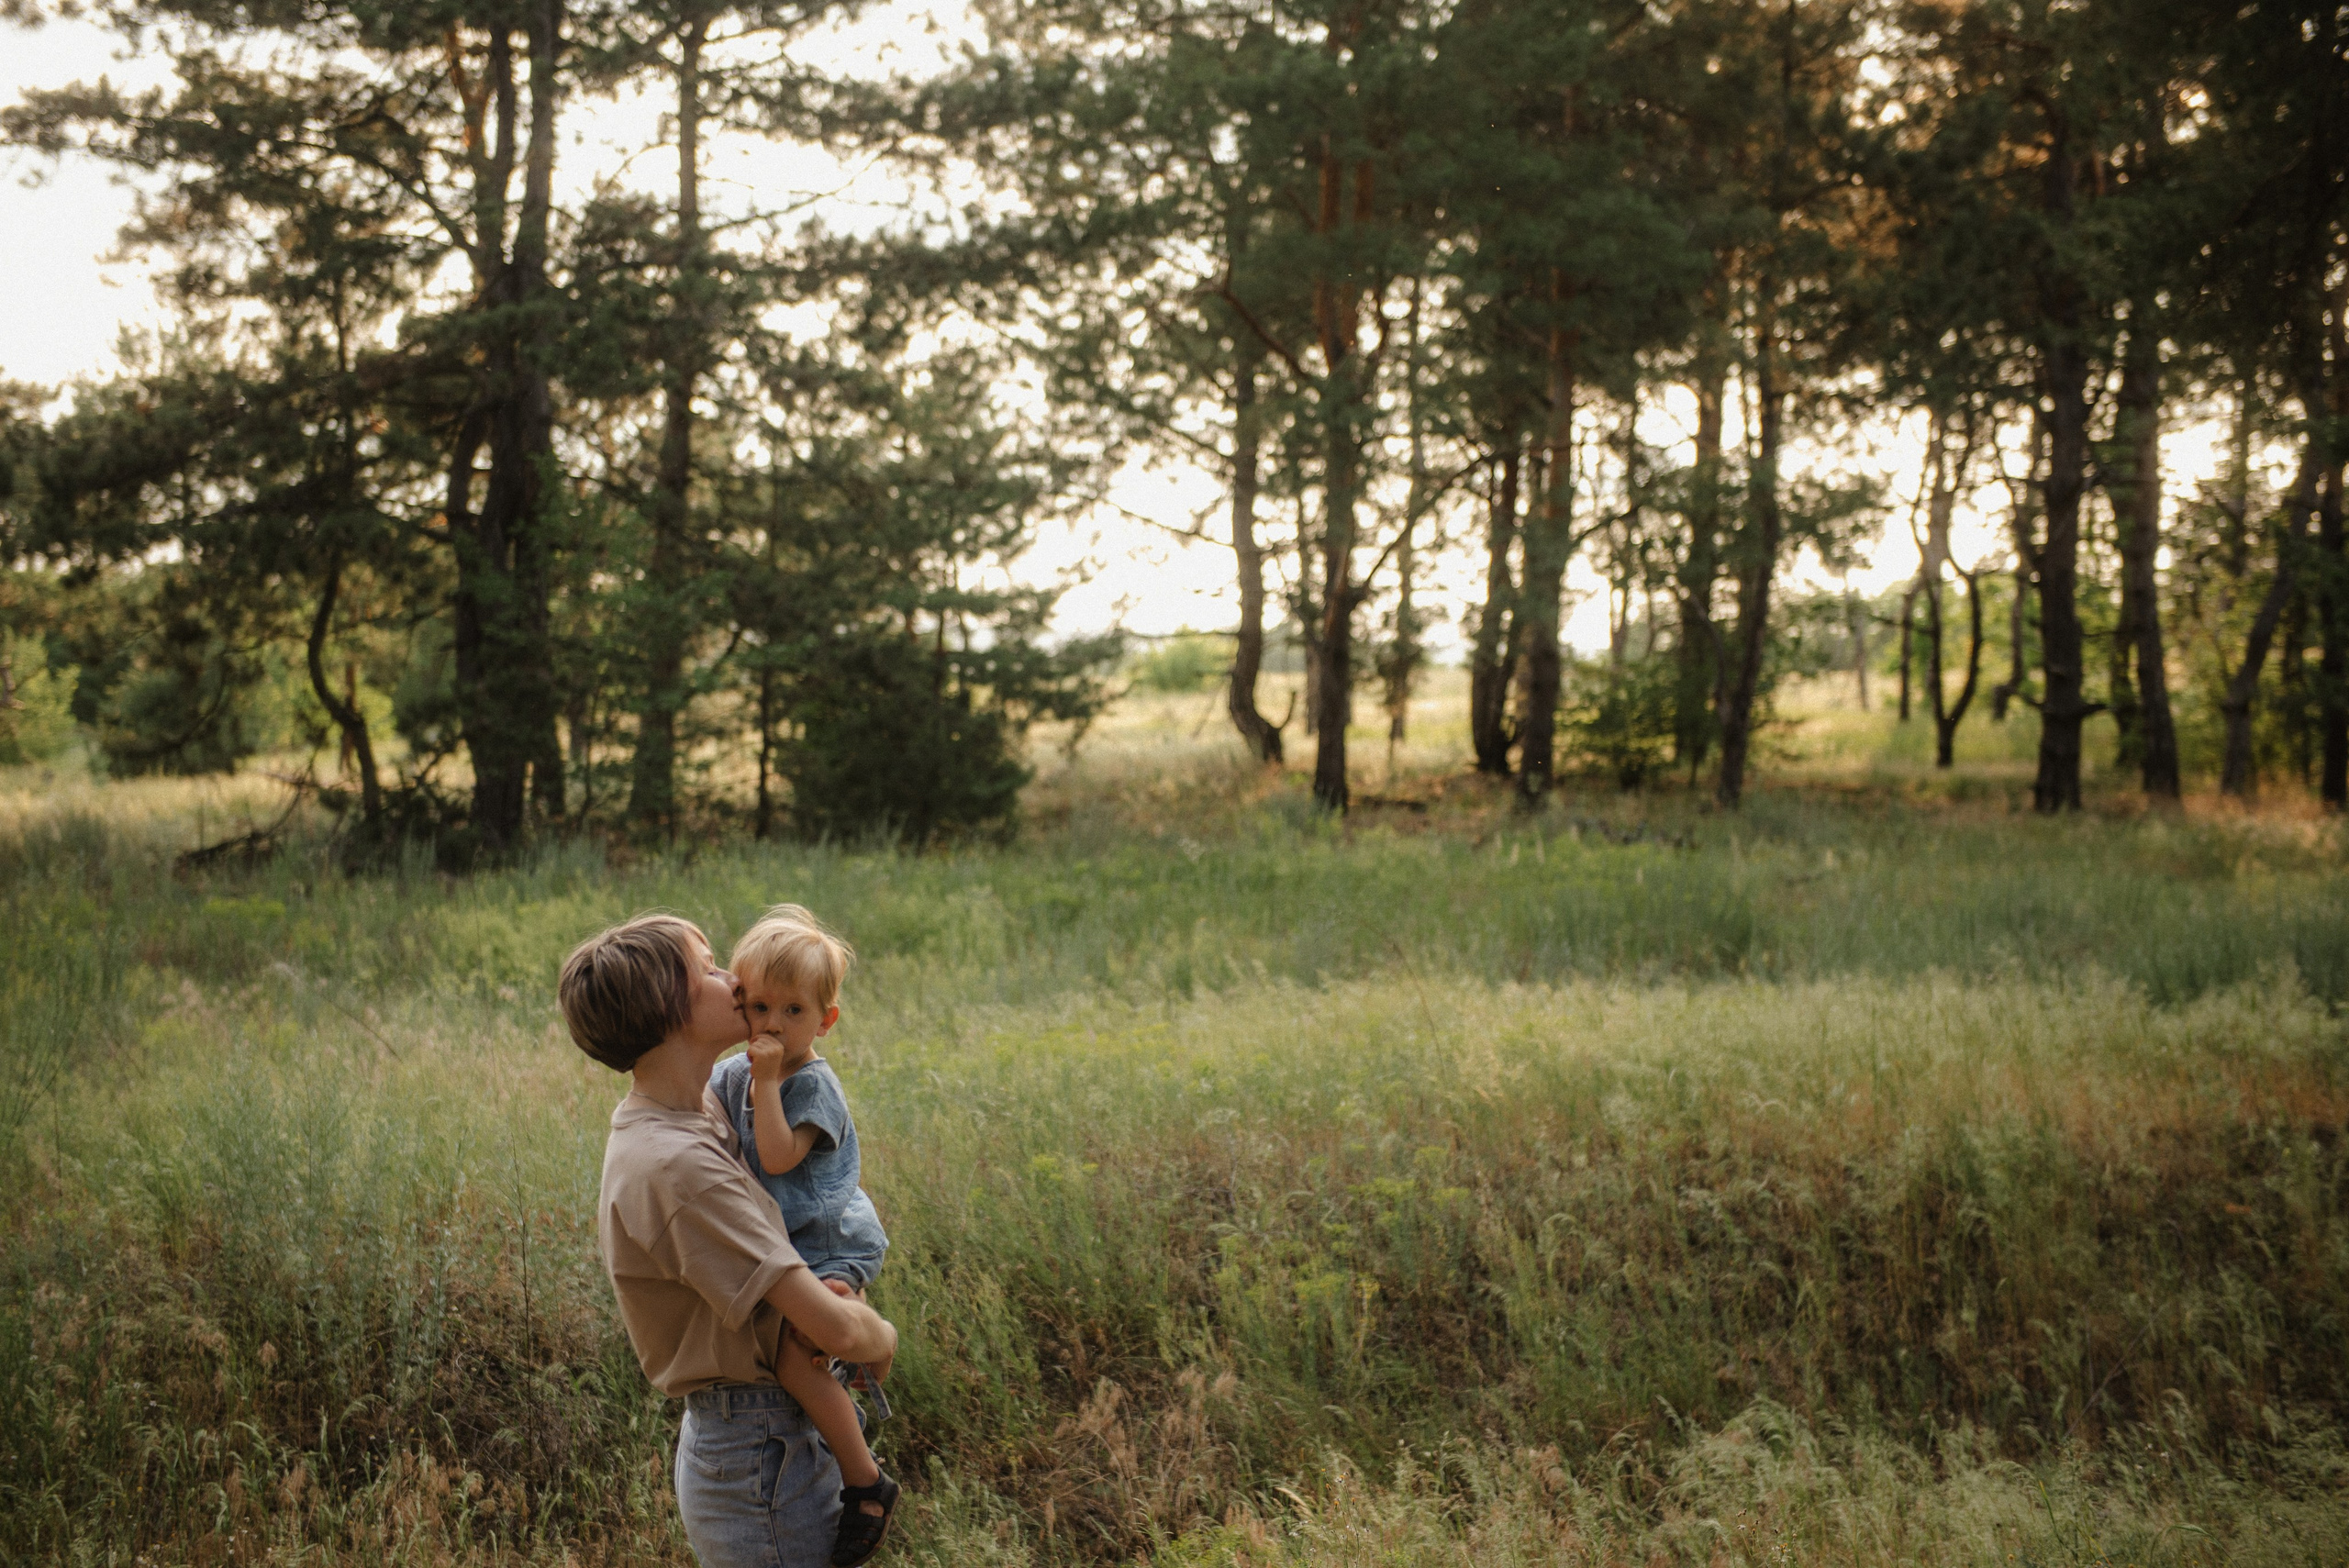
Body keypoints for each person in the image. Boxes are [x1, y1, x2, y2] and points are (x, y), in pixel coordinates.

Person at [560, 913, 899, 1568]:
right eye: (709, 969)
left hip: (768, 1437)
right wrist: (880, 1337)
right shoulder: (679, 1166)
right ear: (671, 1009)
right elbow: (835, 1328)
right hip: (758, 1454)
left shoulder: (699, 1109)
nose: (735, 981)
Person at [707, 906, 897, 1565]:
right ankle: (852, 1376)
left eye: (793, 1010)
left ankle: (866, 1479)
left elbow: (779, 1155)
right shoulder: (734, 1073)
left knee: (796, 1354)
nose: (773, 1025)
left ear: (825, 1020)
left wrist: (765, 1081)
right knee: (810, 1350)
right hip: (786, 1244)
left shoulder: (813, 1085)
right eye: (760, 1006)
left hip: (828, 1240)